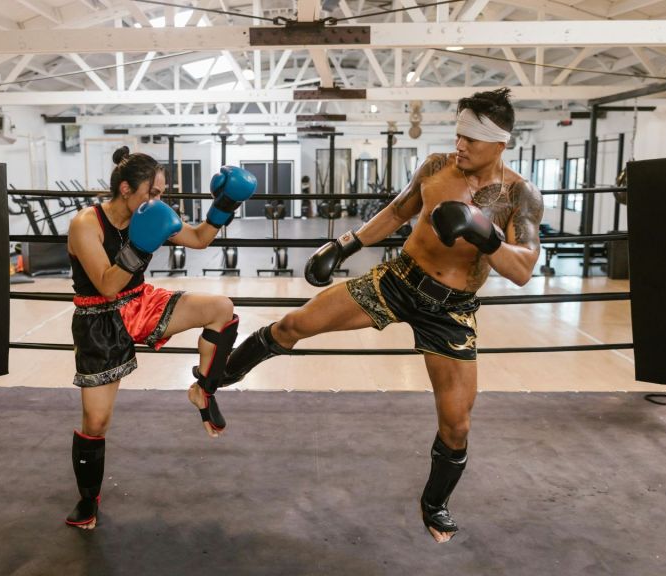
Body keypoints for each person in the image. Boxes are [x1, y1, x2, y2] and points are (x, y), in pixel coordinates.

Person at [222, 89, 544, 543]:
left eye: (471, 139)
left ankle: (434, 504)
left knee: (457, 423)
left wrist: (485, 234)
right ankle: (220, 376)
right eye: (458, 135)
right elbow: (397, 212)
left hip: (451, 311)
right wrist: (343, 245)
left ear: (499, 142)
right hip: (398, 279)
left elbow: (524, 269)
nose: (461, 146)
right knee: (296, 324)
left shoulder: (518, 194)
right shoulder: (435, 167)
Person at [64, 148, 257, 529]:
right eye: (152, 193)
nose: (158, 201)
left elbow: (200, 239)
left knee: (221, 307)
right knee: (96, 420)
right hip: (99, 318)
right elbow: (105, 286)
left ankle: (204, 389)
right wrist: (140, 244)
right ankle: (88, 500)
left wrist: (226, 202)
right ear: (125, 189)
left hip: (140, 301)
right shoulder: (86, 224)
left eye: (161, 193)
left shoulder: (149, 215)